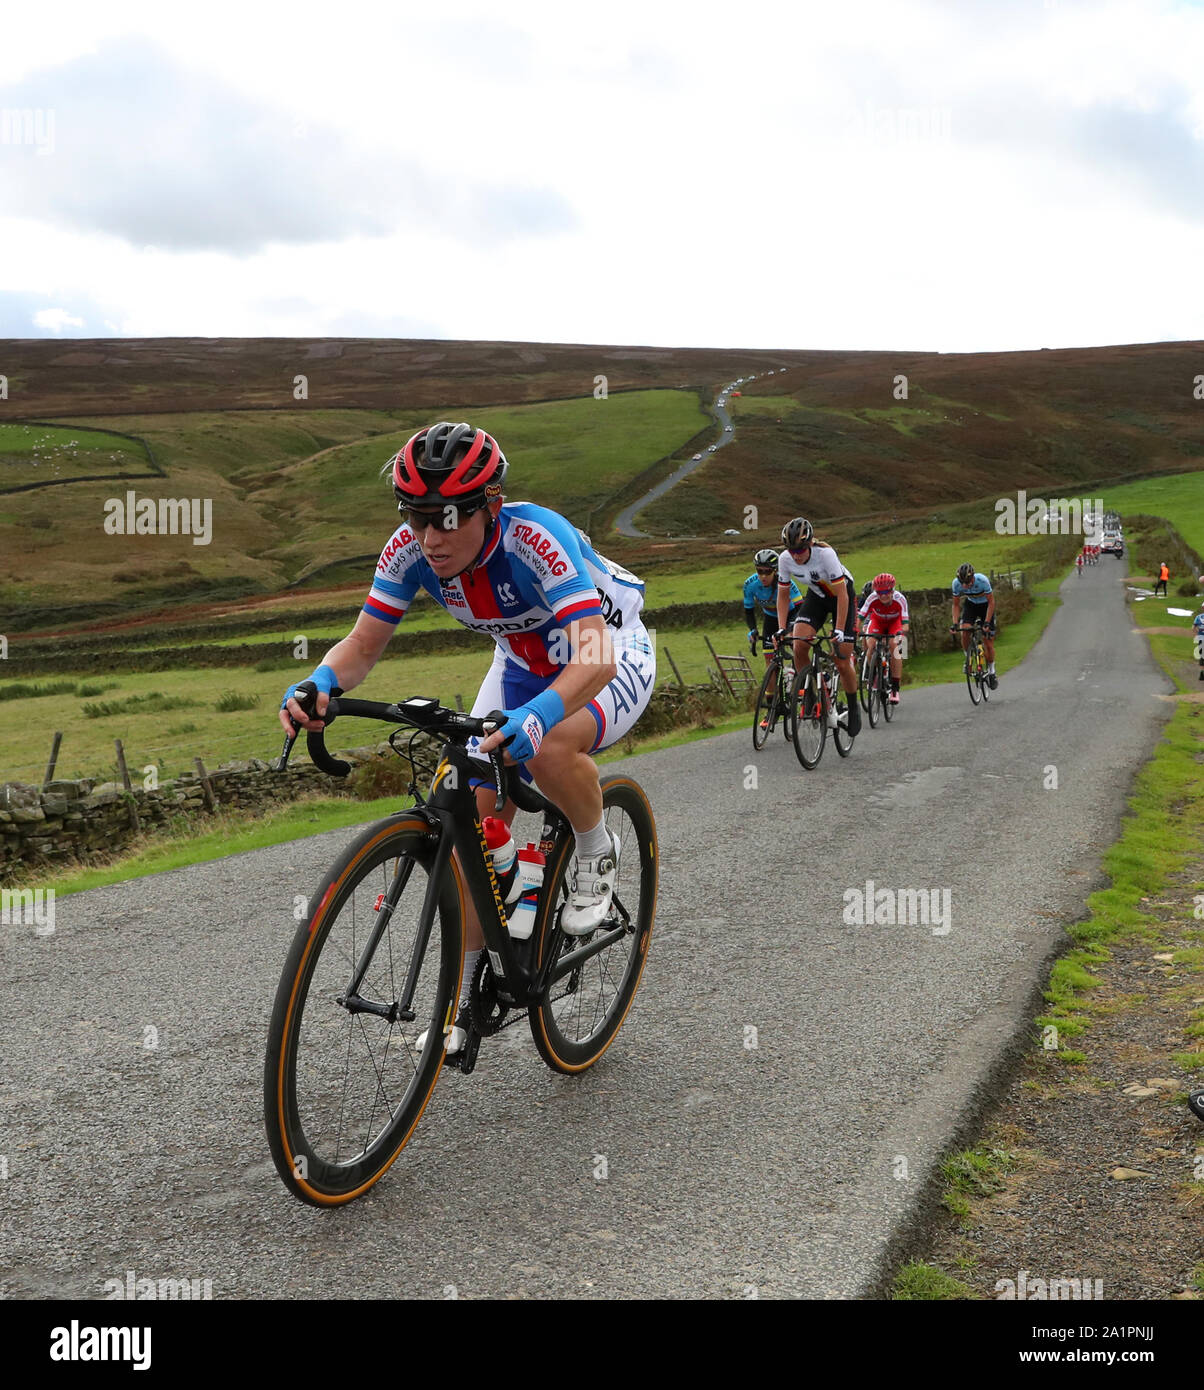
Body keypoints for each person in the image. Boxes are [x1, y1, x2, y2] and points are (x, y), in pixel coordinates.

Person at [279, 421, 656, 1052]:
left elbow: (594, 658)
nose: (430, 536)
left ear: (491, 507)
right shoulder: (409, 550)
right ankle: (469, 991)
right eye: (417, 515)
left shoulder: (537, 539)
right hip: (518, 664)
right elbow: (364, 645)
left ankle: (594, 847)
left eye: (449, 517)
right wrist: (320, 683)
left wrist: (538, 718)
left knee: (553, 745)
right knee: (468, 816)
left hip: (605, 653)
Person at [775, 517, 861, 736]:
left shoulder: (826, 555)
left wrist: (839, 629)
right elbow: (783, 596)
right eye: (792, 550)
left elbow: (842, 594)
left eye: (801, 550)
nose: (796, 555)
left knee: (841, 660)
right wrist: (781, 628)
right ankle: (811, 693)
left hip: (842, 598)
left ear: (810, 543)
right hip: (817, 597)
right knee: (798, 644)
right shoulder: (785, 560)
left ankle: (853, 706)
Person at [743, 549, 803, 668]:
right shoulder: (750, 585)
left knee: (798, 653)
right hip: (770, 618)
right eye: (759, 571)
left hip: (790, 615)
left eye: (768, 572)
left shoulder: (785, 582)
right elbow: (748, 611)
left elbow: (800, 607)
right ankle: (772, 685)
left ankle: (804, 679)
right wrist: (753, 629)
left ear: (775, 571)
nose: (763, 576)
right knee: (769, 661)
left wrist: (791, 628)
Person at [858, 572, 909, 704]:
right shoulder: (871, 598)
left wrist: (898, 635)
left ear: (893, 590)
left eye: (887, 591)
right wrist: (855, 630)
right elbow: (860, 617)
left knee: (896, 648)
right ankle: (874, 675)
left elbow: (906, 626)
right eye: (880, 592)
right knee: (871, 645)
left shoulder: (900, 599)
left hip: (895, 623)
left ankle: (895, 689)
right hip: (877, 621)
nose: (884, 595)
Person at [951, 562, 998, 688]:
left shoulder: (982, 580)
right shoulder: (956, 584)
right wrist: (955, 623)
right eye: (963, 583)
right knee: (965, 631)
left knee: (988, 642)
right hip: (971, 605)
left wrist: (987, 622)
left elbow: (991, 602)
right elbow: (955, 605)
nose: (965, 586)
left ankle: (992, 670)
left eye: (968, 582)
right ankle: (968, 659)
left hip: (985, 607)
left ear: (973, 578)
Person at [1193, 603, 1204, 682]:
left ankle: (1202, 674)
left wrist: (1198, 633)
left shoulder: (1198, 617)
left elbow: (1194, 628)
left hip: (1201, 639)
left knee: (1202, 657)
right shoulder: (1198, 617)